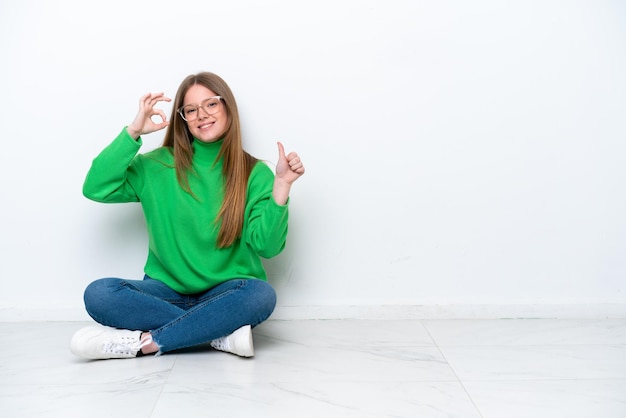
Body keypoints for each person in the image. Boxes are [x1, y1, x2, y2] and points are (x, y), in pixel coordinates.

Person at [70, 72, 305, 360]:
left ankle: (146, 343)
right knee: (100, 293)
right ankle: (218, 332)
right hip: (164, 290)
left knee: (260, 295)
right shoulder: (156, 166)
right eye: (191, 110)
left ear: (228, 108)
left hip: (228, 291)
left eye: (211, 105)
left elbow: (267, 247)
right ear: (183, 118)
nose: (201, 115)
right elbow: (96, 187)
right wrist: (133, 132)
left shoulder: (254, 172)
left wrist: (282, 186)